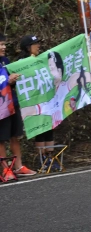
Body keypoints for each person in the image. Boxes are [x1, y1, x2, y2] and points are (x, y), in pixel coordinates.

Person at [0, 33, 37, 180]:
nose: (4, 47)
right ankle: (5, 169)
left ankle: (19, 166)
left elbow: (10, 82)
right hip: (1, 107)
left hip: (12, 102)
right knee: (1, 139)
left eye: (4, 44)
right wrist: (6, 81)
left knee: (15, 135)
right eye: (1, 44)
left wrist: (13, 80)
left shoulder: (6, 60)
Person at [18, 34, 56, 168]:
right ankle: (42, 160)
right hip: (33, 102)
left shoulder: (41, 59)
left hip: (46, 99)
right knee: (39, 129)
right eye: (35, 44)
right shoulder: (21, 63)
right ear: (28, 47)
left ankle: (50, 158)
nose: (38, 46)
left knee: (49, 128)